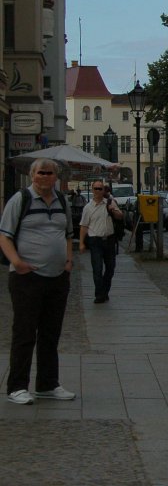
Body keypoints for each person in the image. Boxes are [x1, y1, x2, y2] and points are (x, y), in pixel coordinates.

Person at [0, 158, 76, 405]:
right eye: (40, 173)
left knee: (50, 334)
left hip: (57, 278)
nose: (45, 177)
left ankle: (47, 384)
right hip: (27, 277)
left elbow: (67, 234)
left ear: (56, 177)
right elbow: (4, 237)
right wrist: (17, 262)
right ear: (33, 175)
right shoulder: (20, 200)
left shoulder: (62, 201)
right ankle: (17, 386)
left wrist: (68, 261)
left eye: (49, 173)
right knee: (24, 333)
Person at [79, 179, 124, 304]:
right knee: (97, 269)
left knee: (110, 268)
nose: (98, 191)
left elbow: (120, 216)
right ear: (92, 190)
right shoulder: (88, 207)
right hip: (95, 241)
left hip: (109, 240)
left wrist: (113, 209)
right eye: (96, 188)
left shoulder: (110, 202)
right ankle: (99, 294)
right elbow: (83, 226)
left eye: (100, 188)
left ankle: (105, 291)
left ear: (103, 190)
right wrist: (82, 243)